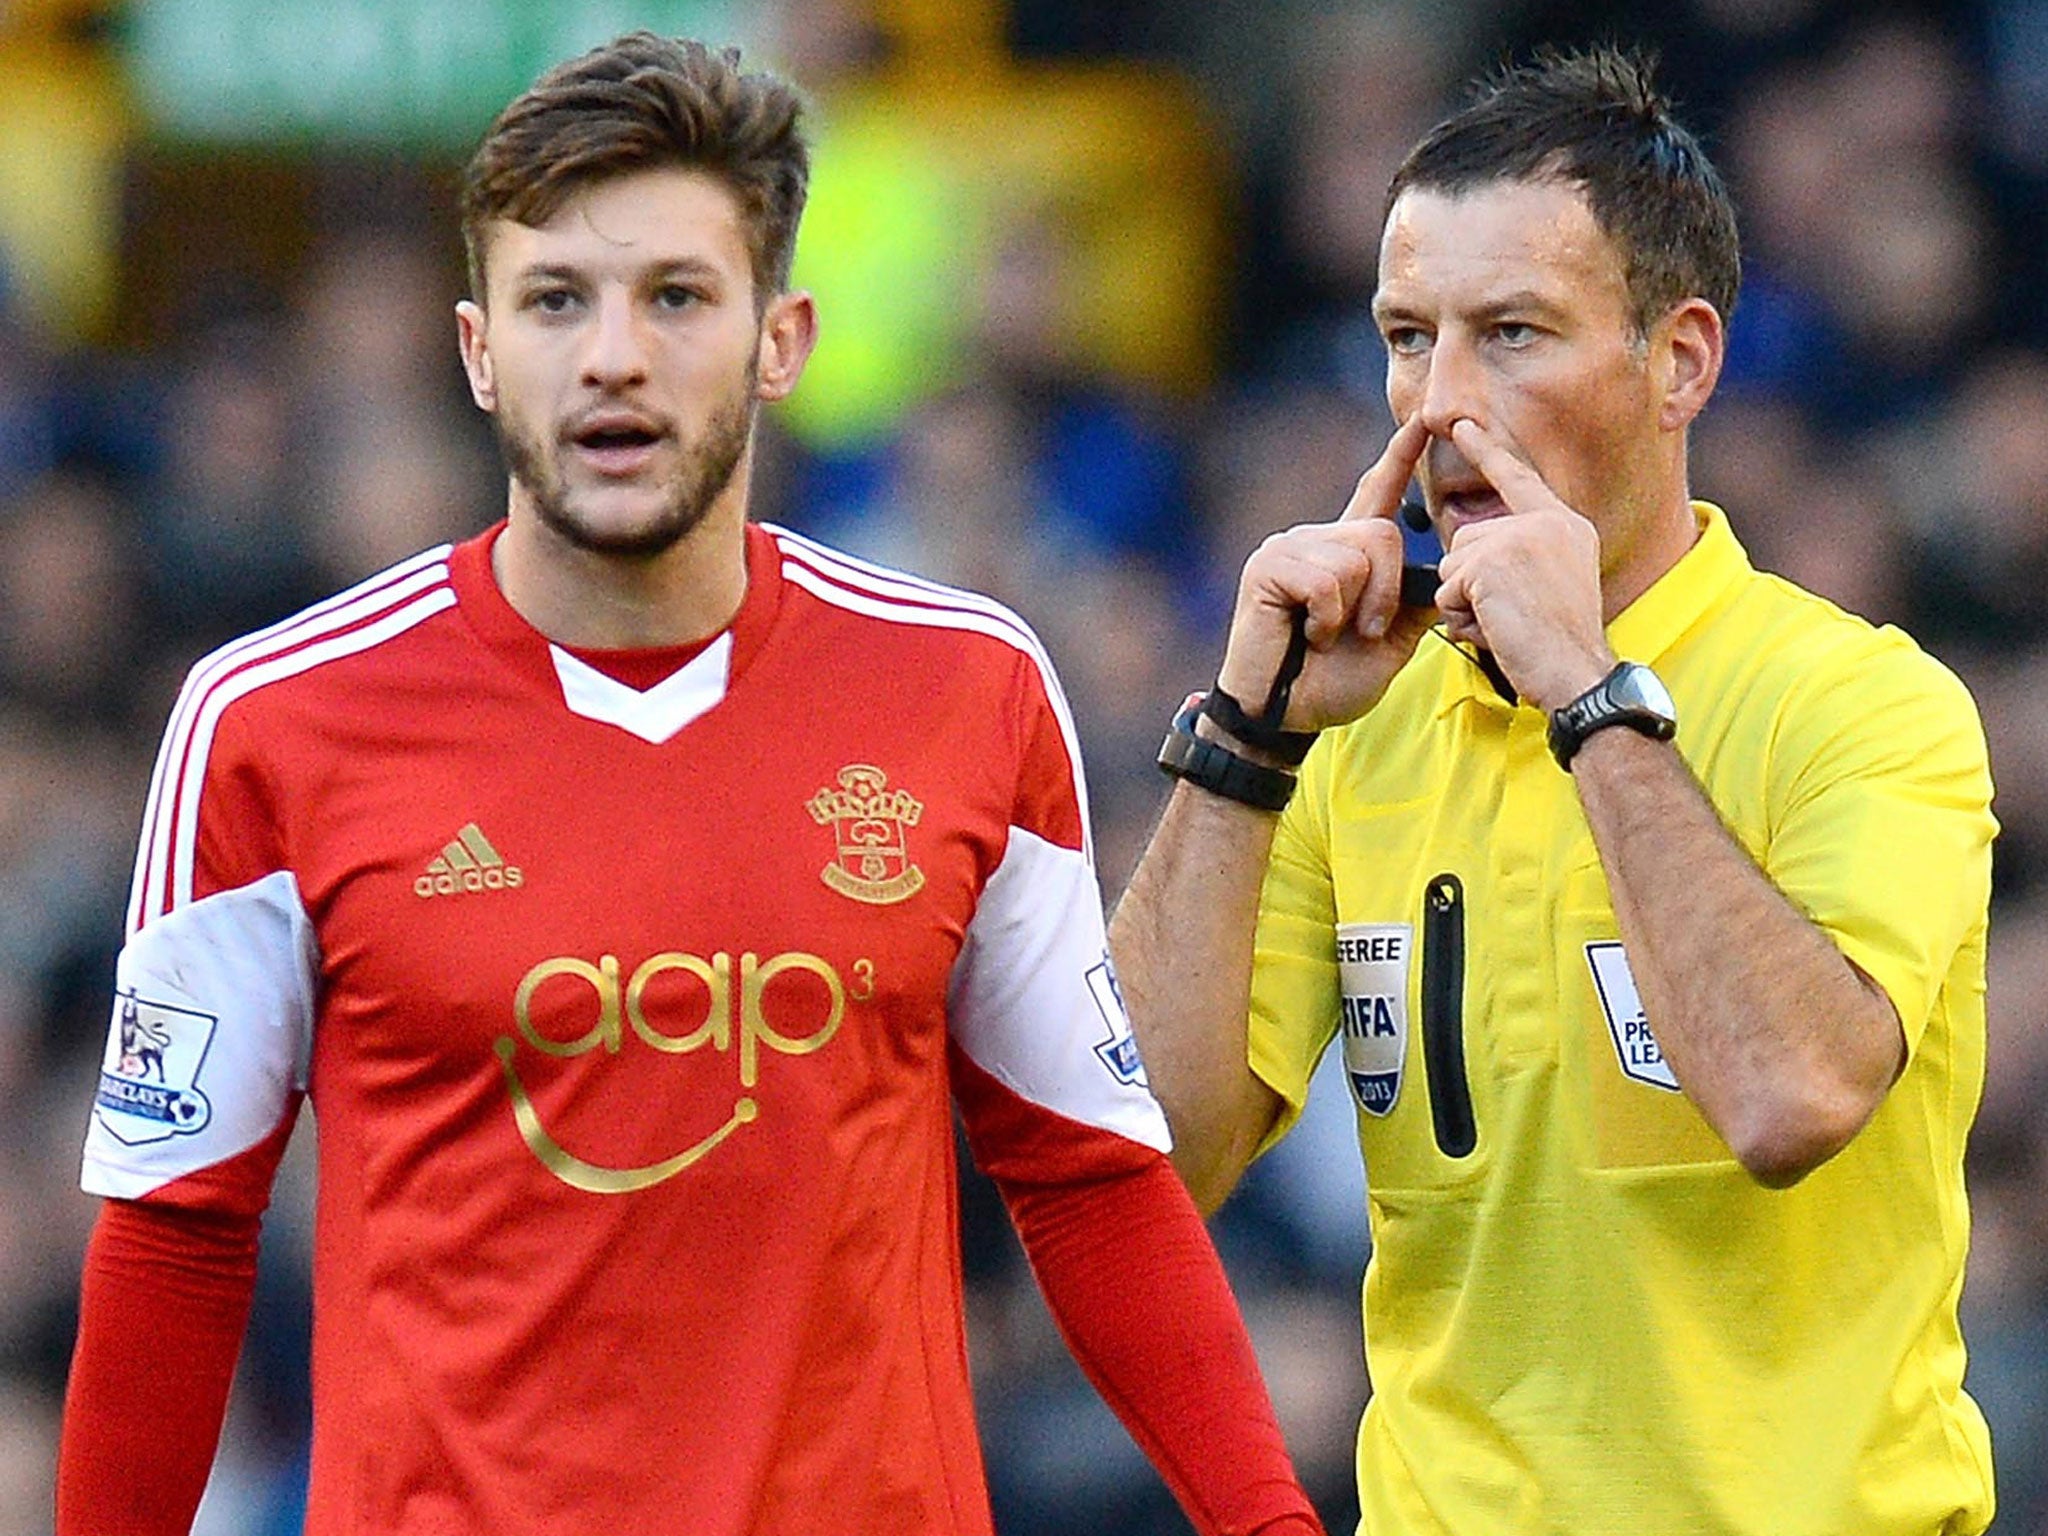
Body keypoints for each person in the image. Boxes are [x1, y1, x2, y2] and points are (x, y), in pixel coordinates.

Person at [55, 34, 1326, 1536]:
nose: (613, 355)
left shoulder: (966, 686)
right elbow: (177, 1240)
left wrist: (1270, 1522)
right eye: (555, 302)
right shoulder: (270, 720)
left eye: (675, 296)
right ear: (476, 353)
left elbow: (1090, 1180)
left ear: (779, 340)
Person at [1109, 45, 1996, 1536]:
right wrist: (1244, 750)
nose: (1440, 405)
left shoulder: (1863, 704)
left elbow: (1792, 1095)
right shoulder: (1357, 730)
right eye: (1406, 337)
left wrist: (1588, 698)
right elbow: (1147, 1167)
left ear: (1683, 362)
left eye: (1512, 333)